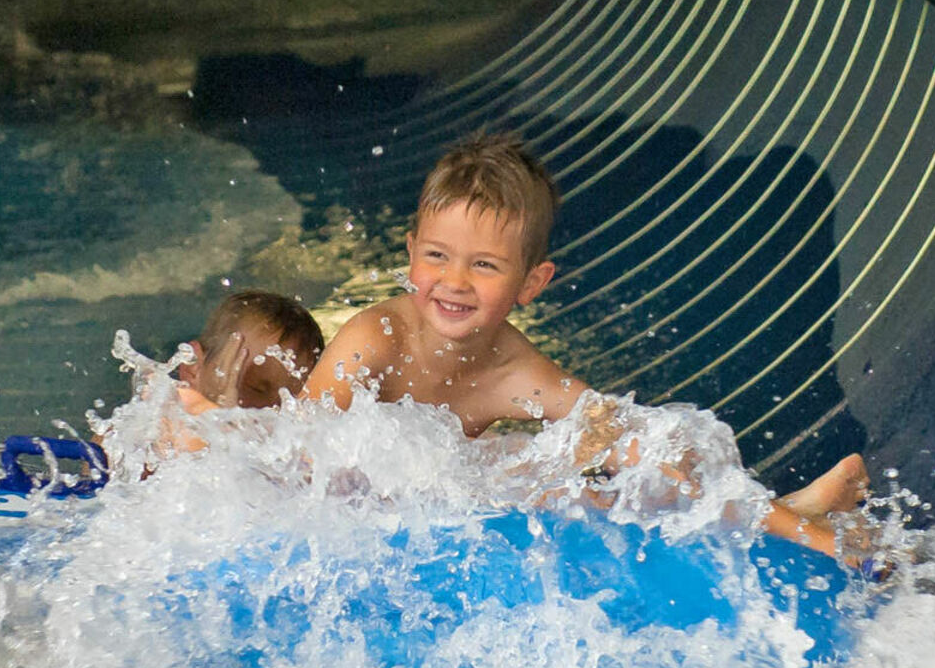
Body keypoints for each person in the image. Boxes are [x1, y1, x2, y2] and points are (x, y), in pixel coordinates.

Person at [301, 132, 868, 558]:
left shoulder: (514, 371)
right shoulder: (375, 340)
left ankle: (795, 520)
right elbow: (298, 452)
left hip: (434, 506)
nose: (454, 281)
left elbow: (636, 440)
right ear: (410, 253)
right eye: (437, 256)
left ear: (531, 283)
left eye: (484, 265)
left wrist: (821, 546)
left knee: (605, 475)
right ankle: (796, 512)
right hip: (353, 516)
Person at [177, 289, 326, 412]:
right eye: (255, 388)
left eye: (294, 402)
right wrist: (218, 413)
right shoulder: (162, 421)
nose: (275, 411)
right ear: (193, 367)